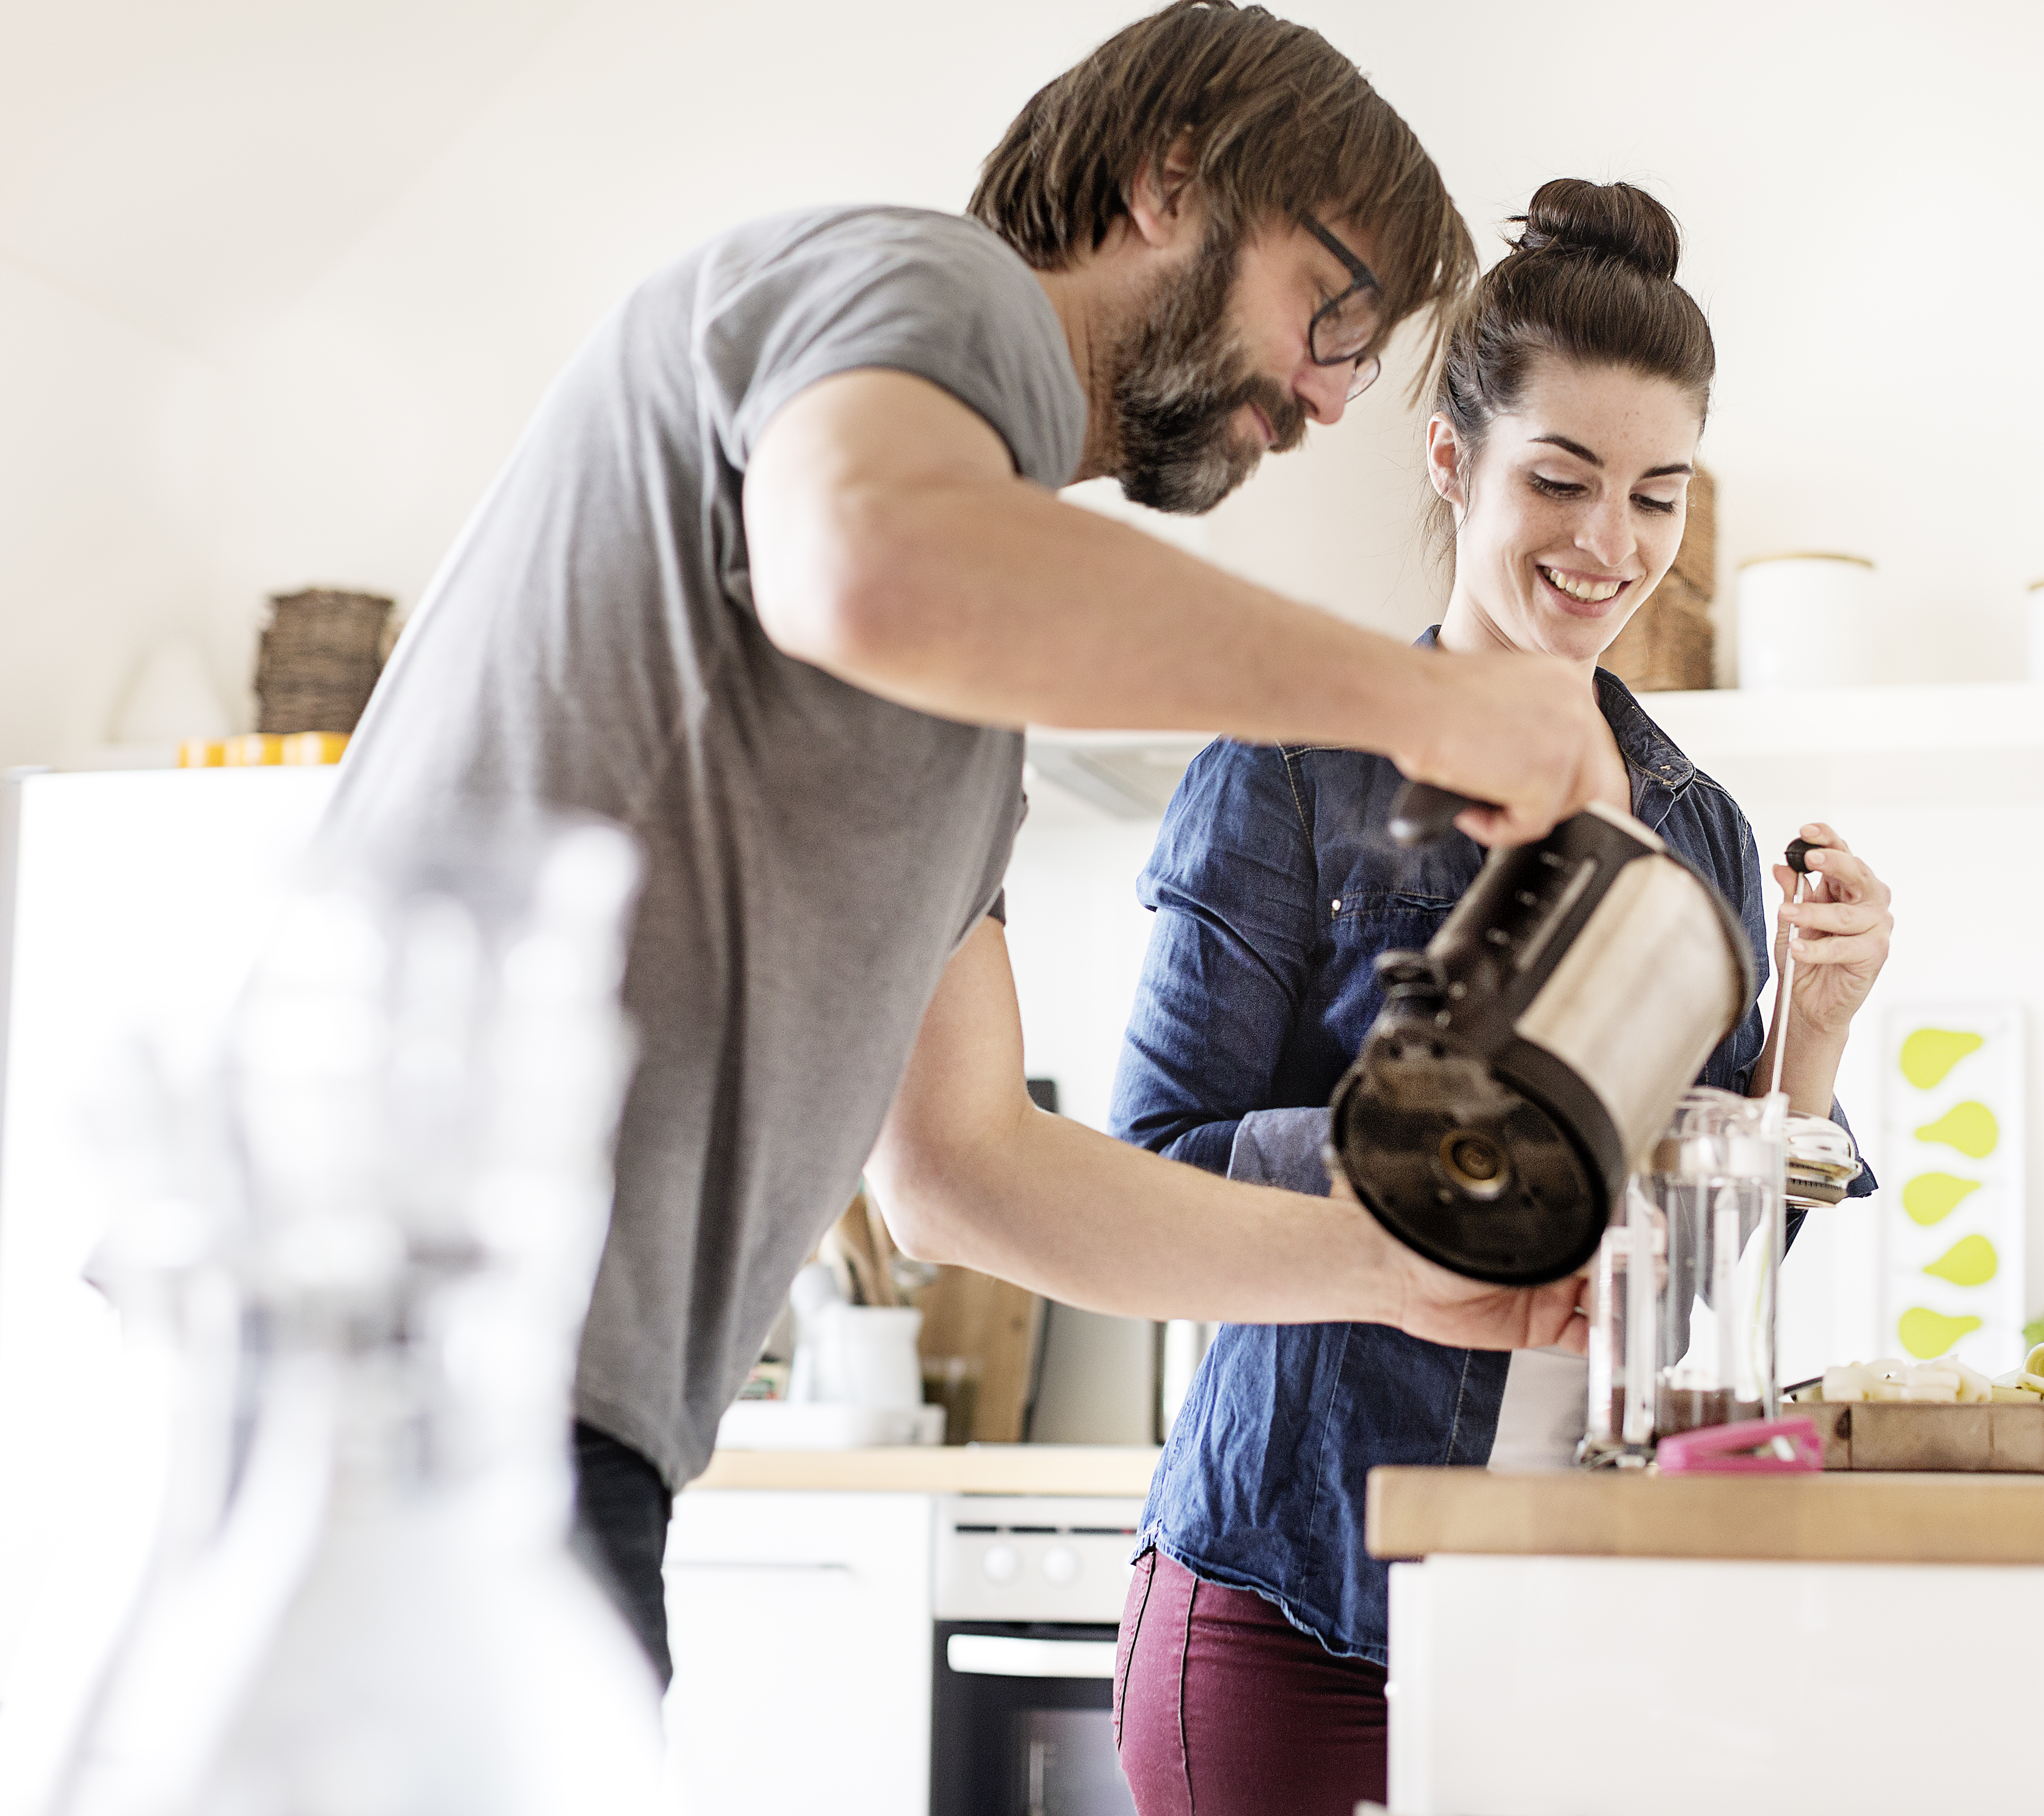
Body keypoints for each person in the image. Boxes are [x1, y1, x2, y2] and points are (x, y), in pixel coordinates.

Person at [319, 3, 1620, 1686]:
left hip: (553, 1432)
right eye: (1331, 306)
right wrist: (1419, 706)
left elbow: (961, 1172)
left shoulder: (963, 719)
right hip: (405, 1389)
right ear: (1174, 182)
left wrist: (1393, 1271)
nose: (1324, 399)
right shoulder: (936, 292)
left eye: (1361, 362)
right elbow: (869, 556)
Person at [1105, 179, 1896, 1816]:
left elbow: (1711, 1281)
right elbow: (1154, 1163)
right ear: (1454, 460)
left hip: (1583, 1599)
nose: (1610, 546)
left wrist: (1815, 1033)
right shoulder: (1294, 768)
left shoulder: (1696, 826)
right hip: (1298, 1598)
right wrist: (1458, 1174)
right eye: (1562, 479)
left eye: (1659, 496)